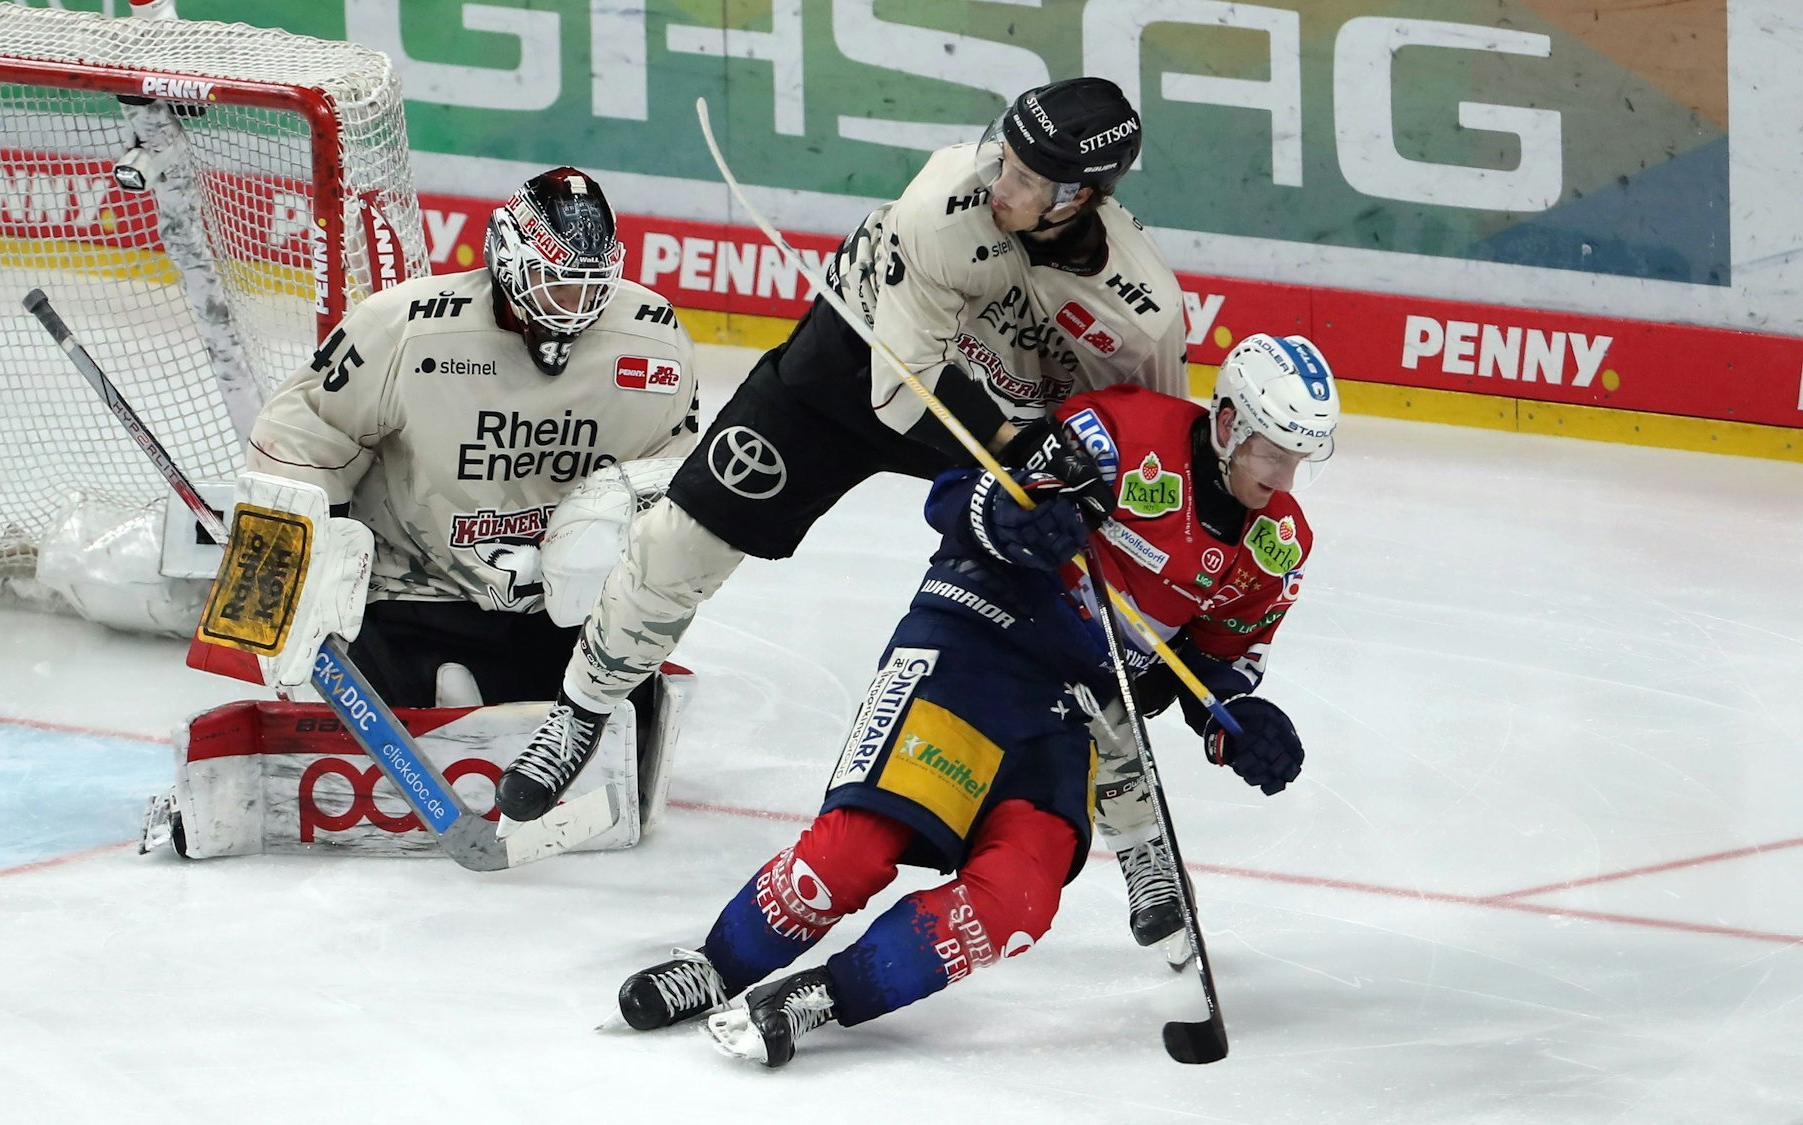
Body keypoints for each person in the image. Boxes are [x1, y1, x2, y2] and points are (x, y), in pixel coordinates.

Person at [609, 332, 1337, 1067]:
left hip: (1069, 706)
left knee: (1023, 893)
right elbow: (956, 493)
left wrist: (1236, 718)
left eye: (1296, 458)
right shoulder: (1121, 433)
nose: (1281, 476)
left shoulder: (1281, 541)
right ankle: (714, 966)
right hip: (973, 640)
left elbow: (1212, 656)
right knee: (852, 853)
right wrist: (1014, 523)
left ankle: (822, 995)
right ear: (1225, 424)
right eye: (1270, 451)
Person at [498, 76, 1188, 823]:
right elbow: (903, 390)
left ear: (1076, 198)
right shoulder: (944, 206)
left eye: (1024, 176)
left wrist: (1157, 617)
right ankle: (582, 706)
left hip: (1004, 430)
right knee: (680, 535)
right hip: (850, 369)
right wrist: (1019, 448)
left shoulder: (1143, 312)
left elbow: (1164, 459)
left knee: (1082, 616)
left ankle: (1138, 840)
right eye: (1001, 153)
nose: (996, 179)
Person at [236, 165, 699, 712]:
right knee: (381, 741)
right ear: (509, 255)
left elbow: (674, 478)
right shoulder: (405, 327)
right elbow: (301, 434)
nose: (572, 305)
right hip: (411, 593)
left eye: (589, 287)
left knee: (602, 738)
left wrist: (611, 560)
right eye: (557, 282)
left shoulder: (654, 339)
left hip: (561, 608)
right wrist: (279, 576)